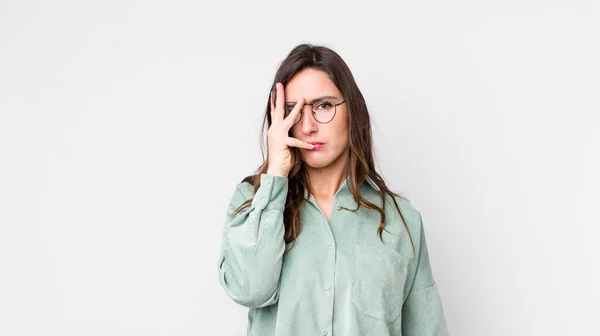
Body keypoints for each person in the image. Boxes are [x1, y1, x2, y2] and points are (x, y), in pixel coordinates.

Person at [217, 43, 449, 336]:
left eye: (323, 106)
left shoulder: (402, 222)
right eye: (293, 110)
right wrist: (276, 174)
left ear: (354, 109)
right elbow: (248, 288)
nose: (308, 126)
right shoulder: (252, 204)